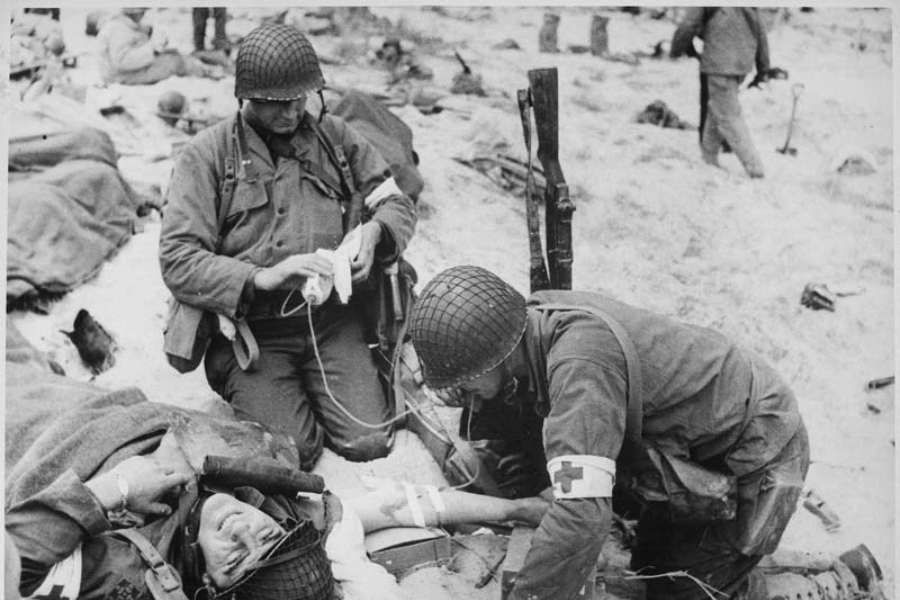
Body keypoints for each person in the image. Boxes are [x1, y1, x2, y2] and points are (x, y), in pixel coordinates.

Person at [407, 265, 811, 600]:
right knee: (649, 564)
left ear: (499, 355)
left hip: (759, 451)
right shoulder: (529, 324)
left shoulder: (581, 365)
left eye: (467, 379)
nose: (463, 392)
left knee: (681, 590)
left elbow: (581, 515)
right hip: (694, 449)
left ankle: (806, 586)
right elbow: (534, 424)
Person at [5, 362, 546, 600]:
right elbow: (389, 506)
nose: (243, 528)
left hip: (48, 443)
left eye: (235, 558)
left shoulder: (131, 572)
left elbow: (16, 558)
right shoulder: (285, 534)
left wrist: (115, 490)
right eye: (263, 534)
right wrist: (514, 510)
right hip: (115, 414)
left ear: (211, 586)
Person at [159, 24, 417, 470]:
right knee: (294, 451)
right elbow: (178, 258)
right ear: (247, 98)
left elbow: (396, 201)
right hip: (253, 333)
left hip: (332, 322)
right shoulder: (207, 155)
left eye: (301, 98)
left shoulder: (335, 139)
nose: (294, 111)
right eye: (279, 103)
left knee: (369, 441)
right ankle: (262, 392)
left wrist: (376, 233)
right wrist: (261, 277)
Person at [671, 7, 770, 178]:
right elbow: (760, 31)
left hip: (719, 63)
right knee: (716, 109)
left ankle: (755, 168)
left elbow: (688, 24)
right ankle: (708, 157)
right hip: (741, 64)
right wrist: (763, 68)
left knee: (728, 116)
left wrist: (676, 50)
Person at [88, 7, 223, 85]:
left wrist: (151, 39)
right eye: (142, 11)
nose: (143, 14)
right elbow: (123, 61)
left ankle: (203, 68)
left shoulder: (123, 24)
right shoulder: (117, 28)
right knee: (174, 63)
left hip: (125, 71)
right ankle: (204, 71)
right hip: (119, 77)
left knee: (173, 56)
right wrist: (153, 49)